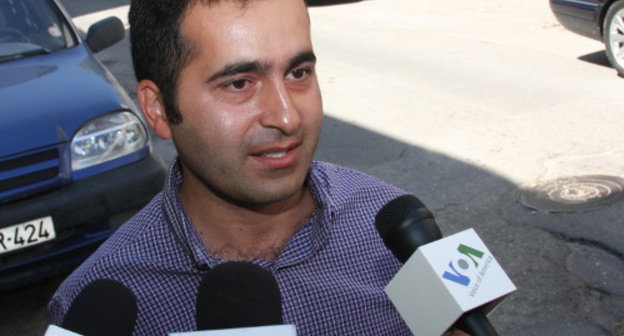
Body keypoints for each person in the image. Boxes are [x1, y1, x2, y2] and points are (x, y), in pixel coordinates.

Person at [48, 0, 469, 335]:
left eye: (299, 72)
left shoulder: (395, 227)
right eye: (238, 83)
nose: (287, 117)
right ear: (158, 109)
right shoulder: (99, 305)